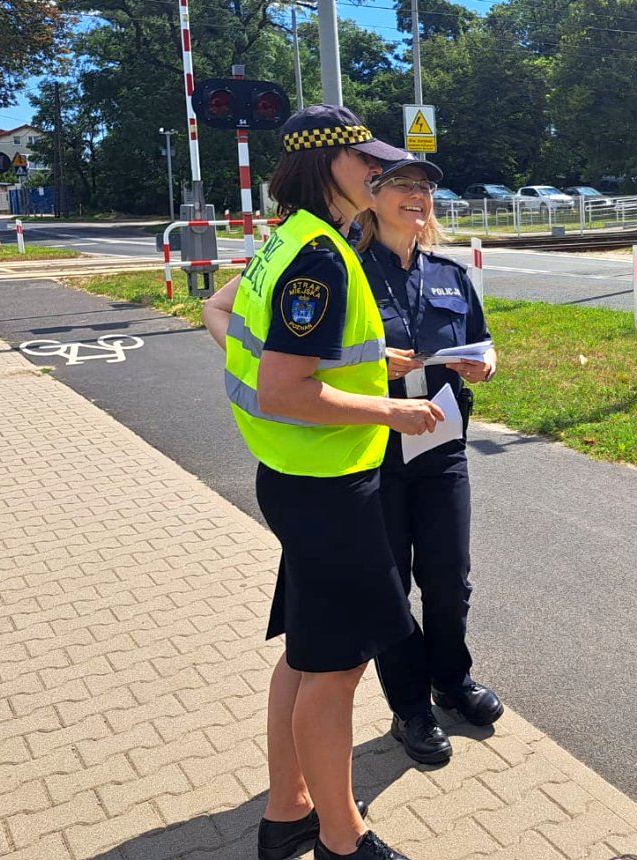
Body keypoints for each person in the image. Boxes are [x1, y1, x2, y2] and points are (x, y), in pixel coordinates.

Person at [202, 104, 441, 860]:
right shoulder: (321, 259)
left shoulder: (288, 241)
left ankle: (286, 814)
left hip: (299, 480)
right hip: (331, 488)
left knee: (306, 657)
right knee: (337, 672)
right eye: (365, 160)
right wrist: (388, 409)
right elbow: (282, 388)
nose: (379, 172)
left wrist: (371, 367)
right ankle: (344, 839)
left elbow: (239, 329)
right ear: (325, 164)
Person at [352, 157, 502, 766]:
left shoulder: (449, 274)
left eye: (427, 189)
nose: (419, 197)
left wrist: (483, 364)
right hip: (375, 448)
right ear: (374, 197)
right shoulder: (348, 271)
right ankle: (410, 706)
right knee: (393, 585)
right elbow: (318, 360)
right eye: (405, 186)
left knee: (449, 579)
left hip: (442, 444)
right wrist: (370, 364)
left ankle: (452, 680)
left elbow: (483, 341)